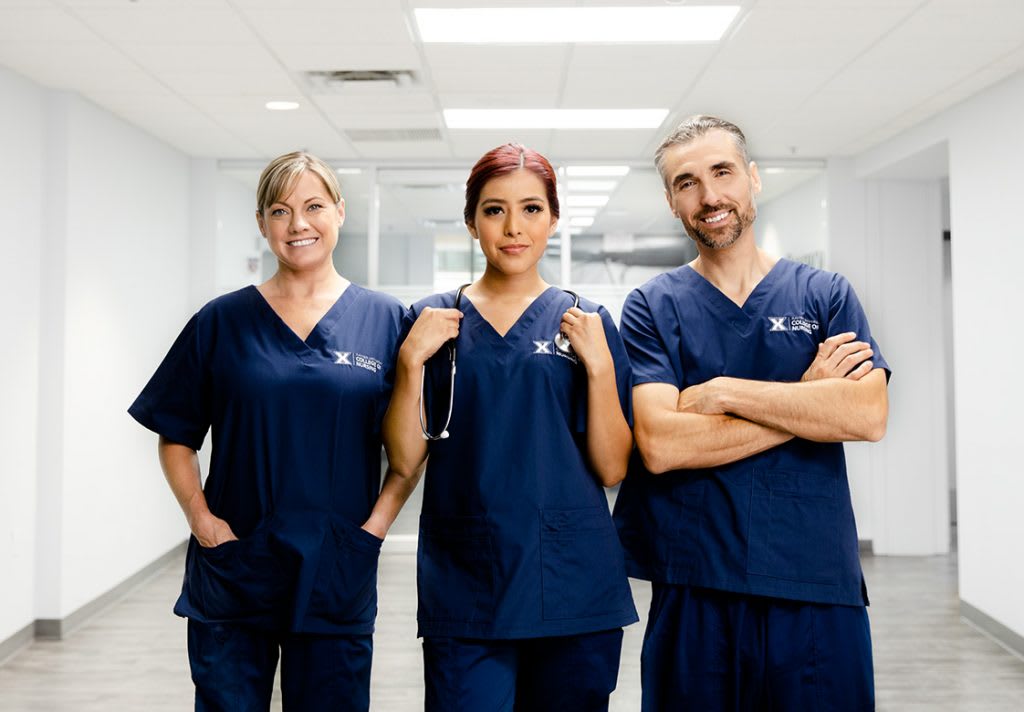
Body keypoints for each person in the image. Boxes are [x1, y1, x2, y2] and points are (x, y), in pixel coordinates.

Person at [612, 115, 890, 711]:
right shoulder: (652, 307)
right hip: (695, 583)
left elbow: (866, 414)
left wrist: (723, 391)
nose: (709, 196)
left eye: (722, 172)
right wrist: (808, 399)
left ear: (754, 179)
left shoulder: (825, 295)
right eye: (687, 182)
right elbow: (662, 444)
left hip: (815, 583)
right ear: (670, 201)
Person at [128, 151, 414, 711]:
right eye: (280, 211)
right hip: (236, 563)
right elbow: (175, 434)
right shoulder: (221, 321)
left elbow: (408, 450)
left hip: (336, 565)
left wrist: (375, 529)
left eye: (313, 206)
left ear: (340, 212)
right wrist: (200, 519)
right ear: (261, 224)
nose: (298, 224)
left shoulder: (387, 320)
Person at [383, 143, 638, 711]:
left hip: (572, 581)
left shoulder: (587, 322)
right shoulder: (431, 322)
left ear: (553, 218)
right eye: (494, 210)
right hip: (467, 579)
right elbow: (404, 459)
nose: (513, 227)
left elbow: (613, 466)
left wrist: (598, 369)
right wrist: (409, 365)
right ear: (472, 222)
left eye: (531, 209)